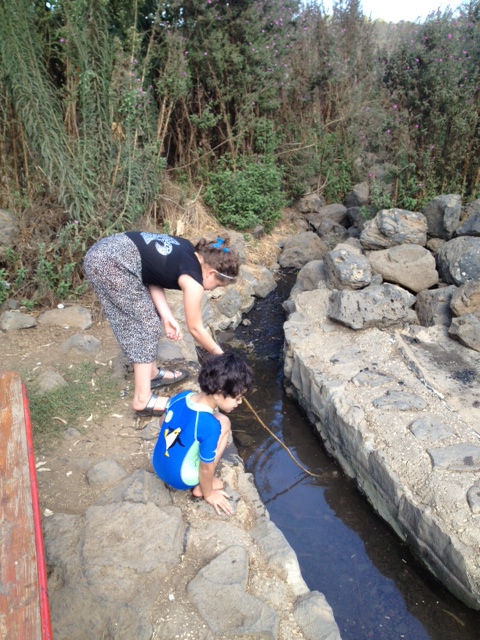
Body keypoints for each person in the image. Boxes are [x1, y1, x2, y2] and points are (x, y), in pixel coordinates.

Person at [83, 232, 240, 417]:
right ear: (211, 273)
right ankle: (143, 399)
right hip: (109, 263)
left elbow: (150, 275)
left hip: (107, 251)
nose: (211, 289)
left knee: (149, 318)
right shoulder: (194, 281)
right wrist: (220, 355)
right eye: (217, 286)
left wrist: (166, 315)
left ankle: (150, 373)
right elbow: (195, 328)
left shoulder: (188, 249)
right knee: (145, 324)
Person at [152, 351, 254, 515]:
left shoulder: (182, 396)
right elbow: (206, 467)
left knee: (222, 420)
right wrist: (210, 493)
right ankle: (201, 487)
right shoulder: (209, 425)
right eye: (237, 398)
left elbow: (162, 421)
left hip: (157, 464)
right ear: (219, 394)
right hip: (181, 478)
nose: (240, 403)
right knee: (224, 425)